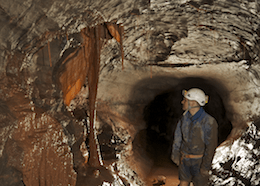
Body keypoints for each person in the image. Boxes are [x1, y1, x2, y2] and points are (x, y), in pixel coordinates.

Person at [171, 88, 218, 186]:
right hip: (184, 160)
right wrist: (175, 154)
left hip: (199, 162)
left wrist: (205, 167)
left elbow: (211, 146)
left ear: (192, 103)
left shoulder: (209, 122)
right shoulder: (184, 118)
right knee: (183, 183)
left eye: (185, 100)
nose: (182, 102)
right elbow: (178, 138)